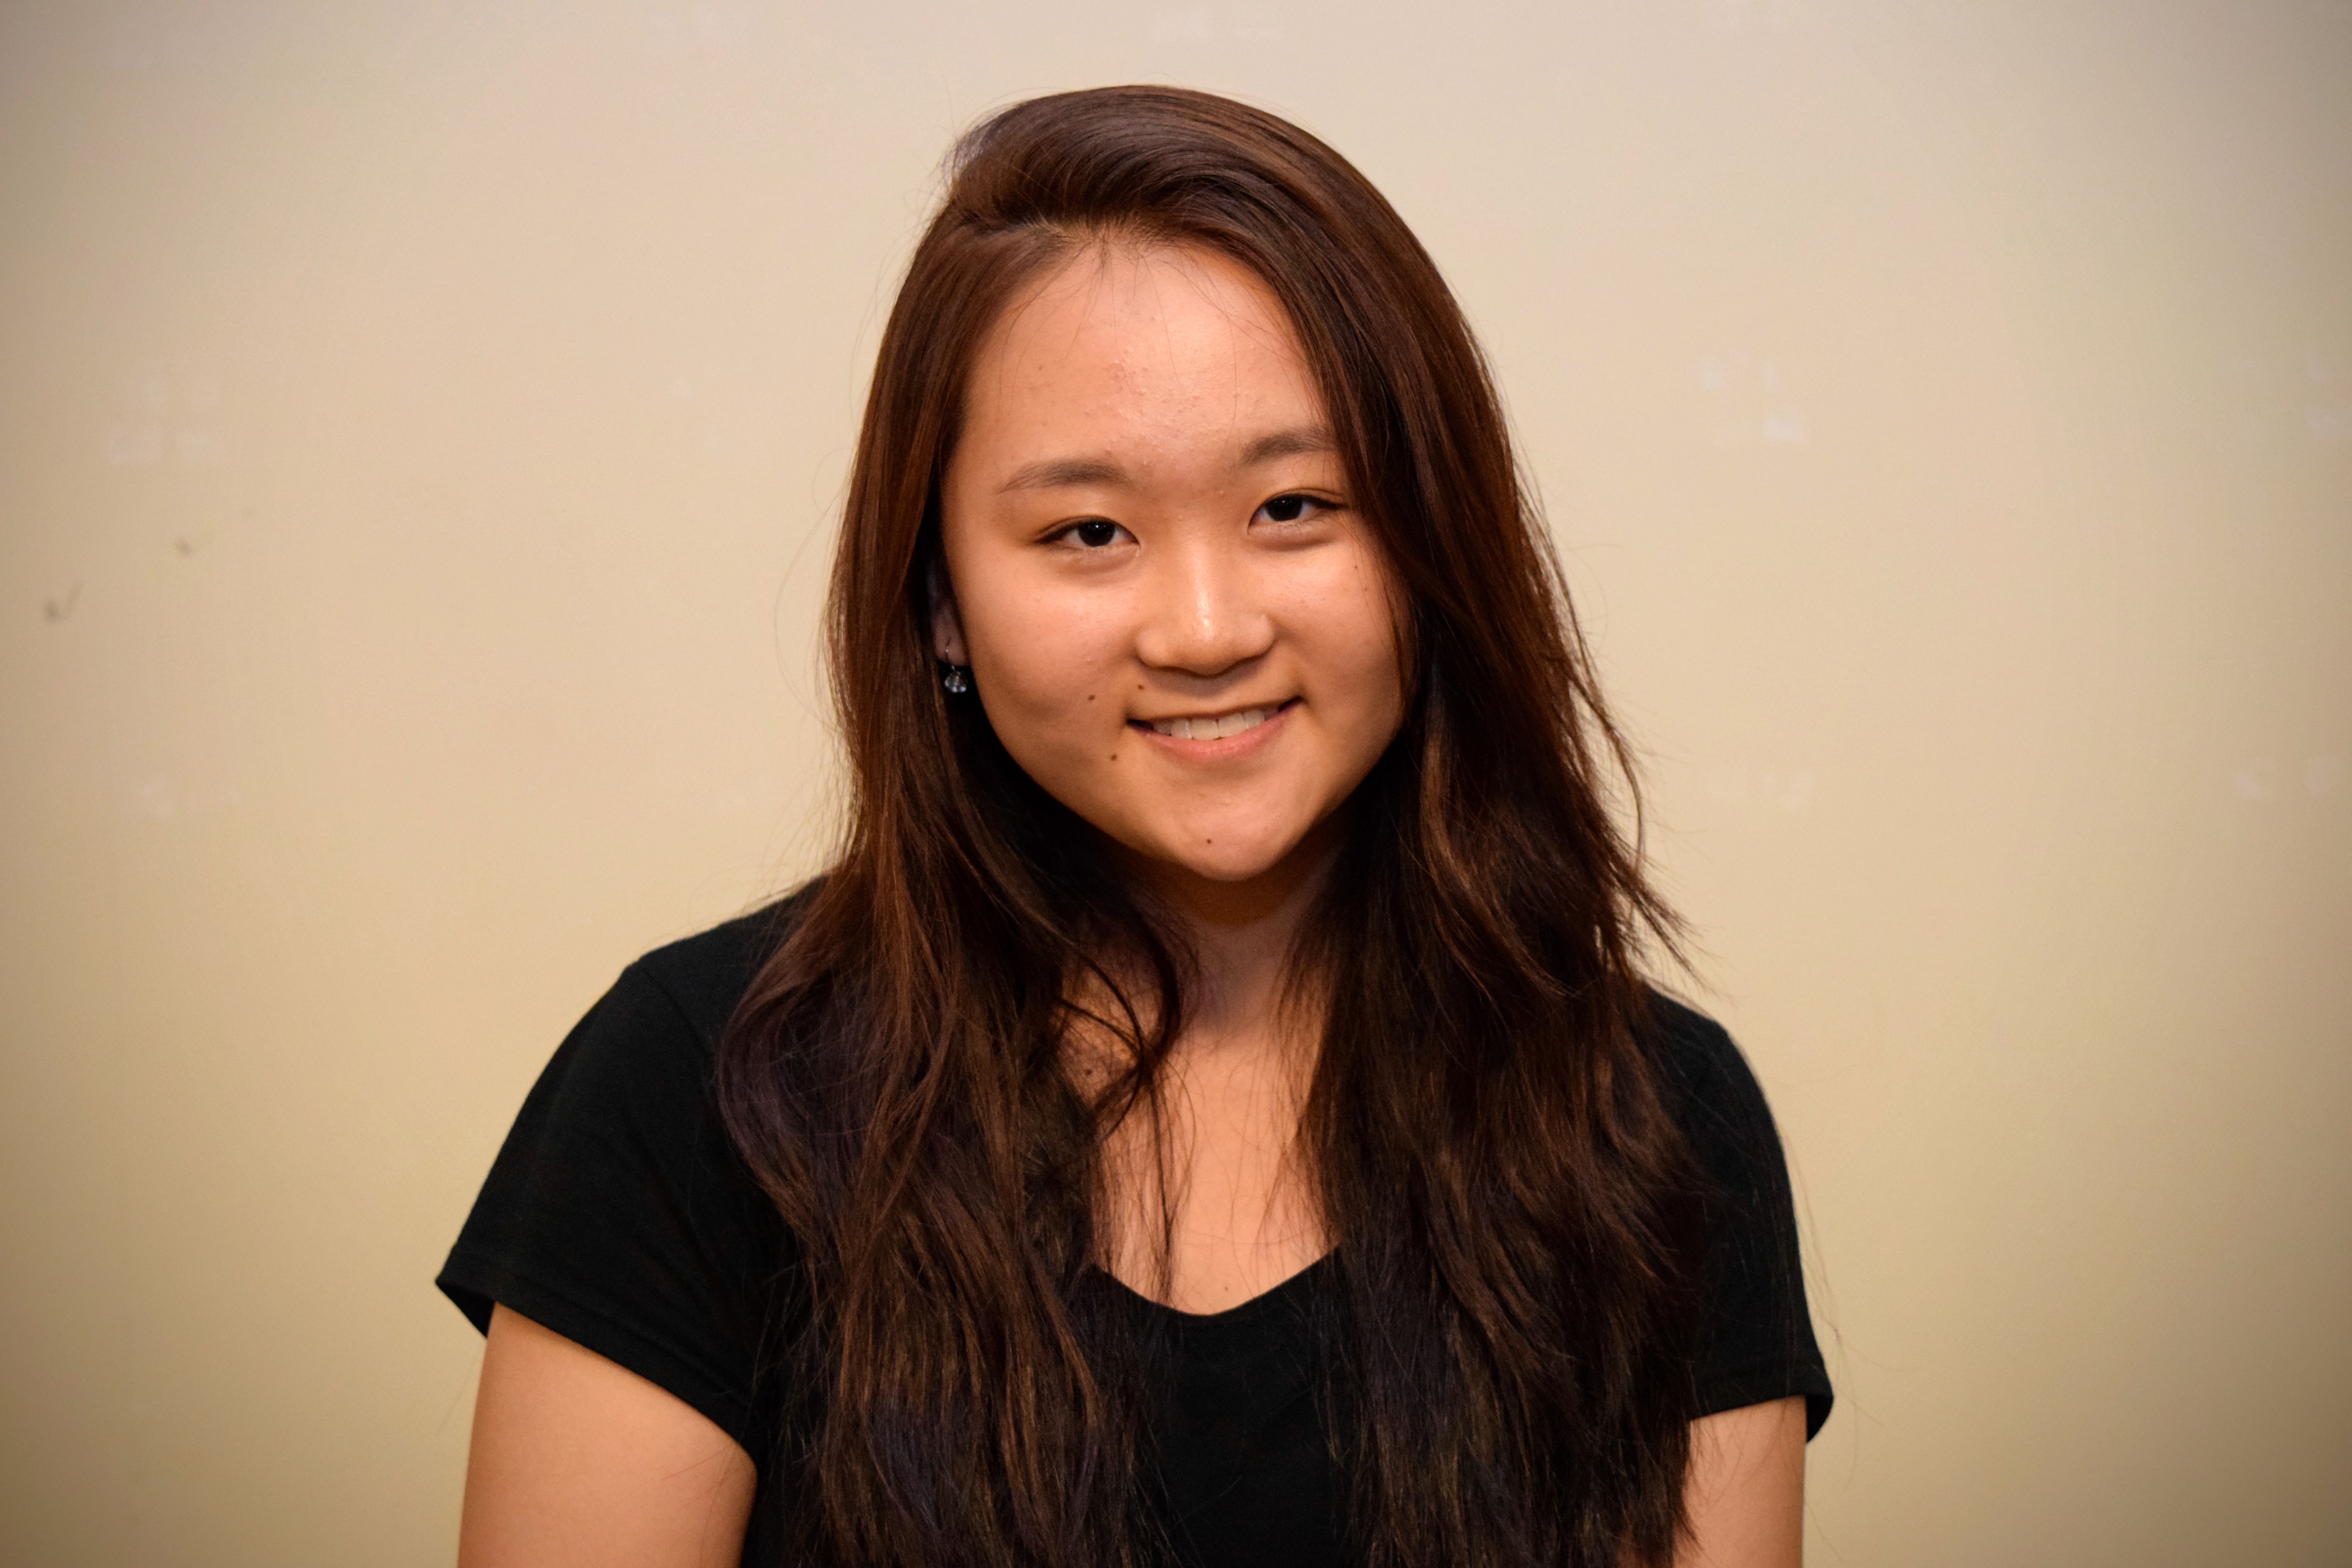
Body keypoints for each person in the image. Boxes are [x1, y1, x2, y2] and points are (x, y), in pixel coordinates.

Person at [439, 85, 1831, 1568]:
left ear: (1433, 544)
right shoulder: (699, 1091)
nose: (1208, 629)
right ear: (940, 603)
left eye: (1296, 506)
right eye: (1088, 533)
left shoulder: (1654, 1122)